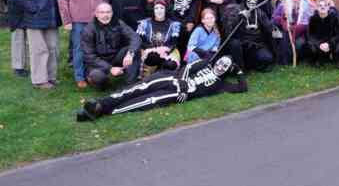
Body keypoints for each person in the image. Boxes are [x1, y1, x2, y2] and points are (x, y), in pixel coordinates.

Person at [76, 55, 247, 122]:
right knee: (140, 88)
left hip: (179, 94)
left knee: (148, 101)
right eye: (221, 62)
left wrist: (237, 69)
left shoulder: (220, 85)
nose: (221, 66)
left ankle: (105, 112)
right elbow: (187, 67)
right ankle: (100, 104)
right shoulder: (205, 64)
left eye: (226, 66)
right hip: (172, 79)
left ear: (227, 70)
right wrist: (182, 81)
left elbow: (242, 88)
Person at [57, 0, 108, 88]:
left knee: (96, 49)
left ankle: (92, 75)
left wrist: (105, 14)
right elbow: (62, 1)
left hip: (96, 20)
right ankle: (79, 76)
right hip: (78, 20)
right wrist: (66, 20)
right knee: (79, 49)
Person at [14, 0, 61, 89]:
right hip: (35, 19)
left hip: (52, 18)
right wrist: (34, 8)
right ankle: (39, 80)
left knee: (53, 48)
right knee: (39, 50)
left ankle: (51, 77)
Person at [81, 3, 142, 90]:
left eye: (108, 12)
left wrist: (130, 53)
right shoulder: (88, 30)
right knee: (97, 76)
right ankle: (106, 83)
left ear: (112, 13)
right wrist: (110, 68)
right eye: (102, 12)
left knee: (135, 50)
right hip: (97, 62)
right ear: (96, 14)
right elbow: (89, 56)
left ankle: (129, 85)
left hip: (115, 57)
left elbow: (135, 37)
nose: (105, 15)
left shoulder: (118, 23)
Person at [225, 0, 275, 72]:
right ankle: (240, 68)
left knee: (267, 58)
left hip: (256, 44)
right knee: (234, 44)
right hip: (242, 44)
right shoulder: (237, 10)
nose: (252, 1)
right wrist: (239, 17)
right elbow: (229, 30)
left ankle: (251, 65)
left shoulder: (259, 12)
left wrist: (270, 26)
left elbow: (269, 28)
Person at [272, 0, 314, 65]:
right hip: (286, 33)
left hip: (302, 34)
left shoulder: (307, 6)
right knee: (284, 40)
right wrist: (282, 20)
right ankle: (286, 61)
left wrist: (298, 28)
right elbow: (274, 18)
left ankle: (300, 59)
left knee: (300, 44)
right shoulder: (283, 5)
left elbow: (311, 21)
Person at [136, 0, 182, 73]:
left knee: (170, 64)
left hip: (169, 52)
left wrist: (166, 52)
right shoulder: (144, 24)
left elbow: (173, 43)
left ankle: (163, 75)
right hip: (150, 53)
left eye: (162, 8)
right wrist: (155, 50)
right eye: (156, 8)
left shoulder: (173, 25)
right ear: (153, 10)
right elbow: (142, 42)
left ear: (165, 10)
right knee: (153, 57)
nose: (159, 10)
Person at [305, 0, 339, 67]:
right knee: (310, 45)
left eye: (325, 5)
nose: (323, 7)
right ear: (317, 8)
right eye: (320, 5)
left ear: (328, 8)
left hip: (332, 42)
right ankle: (316, 60)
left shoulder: (334, 17)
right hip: (319, 43)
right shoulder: (313, 18)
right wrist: (319, 44)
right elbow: (310, 35)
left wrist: (329, 44)